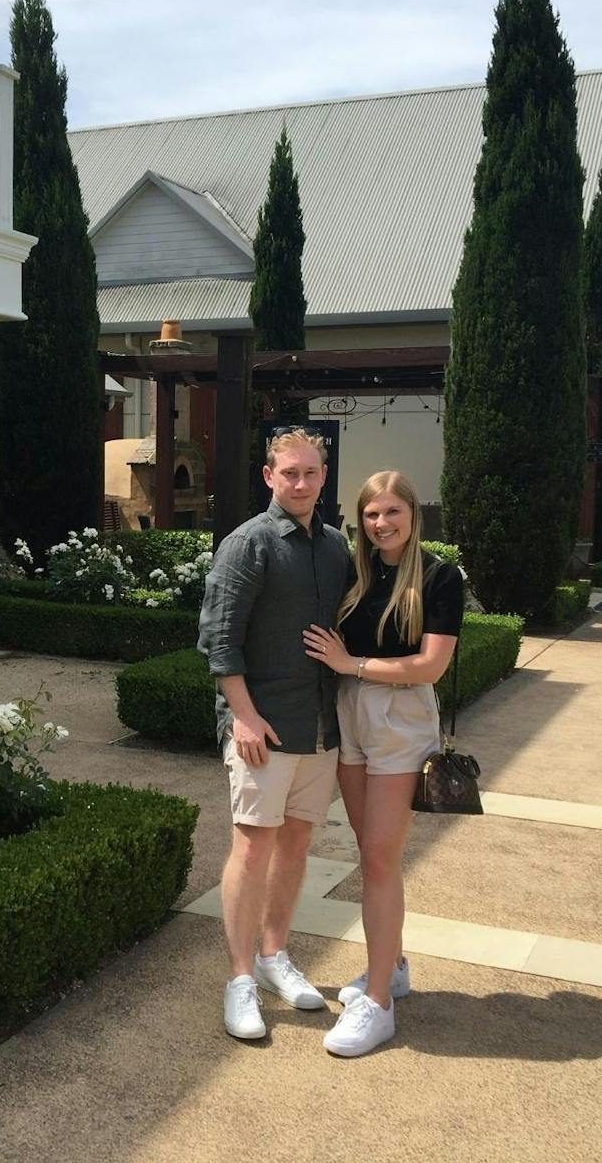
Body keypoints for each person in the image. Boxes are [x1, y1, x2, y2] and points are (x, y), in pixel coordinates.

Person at [302, 470, 462, 1057]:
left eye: (392, 512)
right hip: (352, 715)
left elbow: (430, 666)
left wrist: (354, 666)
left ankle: (379, 1002)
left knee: (377, 859)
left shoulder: (441, 577)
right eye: (372, 514)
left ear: (413, 515)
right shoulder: (356, 573)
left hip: (399, 719)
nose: (382, 524)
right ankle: (391, 966)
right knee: (369, 849)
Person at [198, 428, 352, 1040]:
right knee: (253, 848)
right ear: (269, 476)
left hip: (319, 726)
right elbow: (218, 641)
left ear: (323, 475)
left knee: (295, 847)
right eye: (289, 473)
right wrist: (242, 714)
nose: (301, 483)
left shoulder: (338, 546)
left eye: (311, 472)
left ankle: (273, 957)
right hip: (262, 727)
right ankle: (239, 980)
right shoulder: (248, 544)